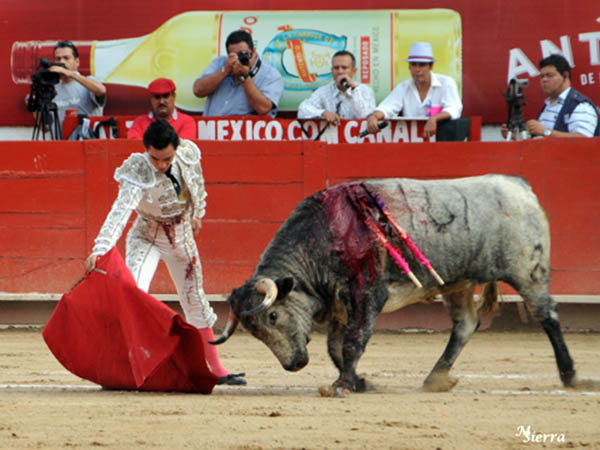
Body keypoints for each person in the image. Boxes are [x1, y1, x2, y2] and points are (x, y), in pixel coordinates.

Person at [85, 120, 245, 386]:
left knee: (194, 299)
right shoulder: (138, 169)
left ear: (177, 148)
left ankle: (216, 369)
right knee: (133, 294)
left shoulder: (188, 154)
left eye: (166, 158)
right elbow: (121, 210)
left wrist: (196, 214)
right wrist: (101, 247)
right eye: (155, 158)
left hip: (181, 234)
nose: (160, 165)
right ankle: (124, 368)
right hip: (146, 234)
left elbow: (198, 186)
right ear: (146, 150)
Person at [366, 42, 462, 139]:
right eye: (413, 64)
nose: (417, 69)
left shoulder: (446, 83)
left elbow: (454, 108)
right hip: (411, 144)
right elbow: (386, 107)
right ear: (409, 67)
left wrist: (435, 119)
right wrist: (373, 117)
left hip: (441, 141)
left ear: (431, 66)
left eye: (422, 65)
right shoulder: (403, 88)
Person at [501, 54, 599, 139]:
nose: (544, 80)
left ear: (565, 76)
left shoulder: (580, 106)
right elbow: (541, 143)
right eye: (542, 76)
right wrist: (515, 138)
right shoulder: (548, 105)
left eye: (549, 75)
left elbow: (584, 140)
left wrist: (545, 132)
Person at [193, 30, 284, 117]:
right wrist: (225, 71)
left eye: (244, 54)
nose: (240, 59)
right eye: (235, 55)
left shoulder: (270, 75)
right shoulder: (220, 63)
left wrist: (244, 77)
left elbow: (263, 108)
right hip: (212, 129)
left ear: (253, 52)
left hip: (245, 131)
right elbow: (198, 90)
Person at [297, 50, 376, 125]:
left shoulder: (365, 90)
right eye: (336, 68)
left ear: (353, 71)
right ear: (332, 71)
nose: (340, 71)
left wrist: (354, 89)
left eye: (344, 68)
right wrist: (323, 113)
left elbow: (366, 116)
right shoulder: (323, 91)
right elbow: (302, 110)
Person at [50, 40, 107, 127]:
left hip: (87, 139)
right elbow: (45, 128)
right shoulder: (52, 89)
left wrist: (71, 73)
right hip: (61, 140)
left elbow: (101, 90)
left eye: (66, 58)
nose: (61, 62)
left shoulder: (88, 82)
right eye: (58, 59)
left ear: (77, 61)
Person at [128, 78, 196, 139]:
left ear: (174, 96)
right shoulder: (139, 122)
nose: (161, 101)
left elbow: (183, 149)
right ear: (151, 99)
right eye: (157, 97)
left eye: (165, 96)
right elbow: (134, 146)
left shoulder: (187, 122)